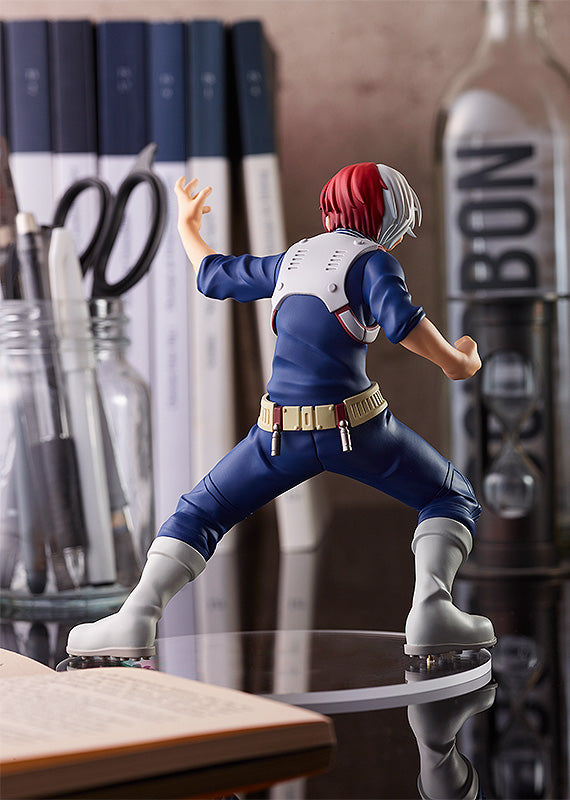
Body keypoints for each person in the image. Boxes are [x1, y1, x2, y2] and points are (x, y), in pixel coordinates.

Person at [67, 162, 495, 660]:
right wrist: (456, 361)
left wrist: (187, 226)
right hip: (356, 429)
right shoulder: (373, 262)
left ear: (331, 210)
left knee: (199, 512)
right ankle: (432, 610)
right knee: (449, 494)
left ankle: (135, 617)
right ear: (388, 217)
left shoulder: (295, 258)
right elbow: (403, 324)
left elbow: (214, 275)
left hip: (276, 435)